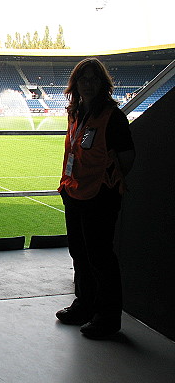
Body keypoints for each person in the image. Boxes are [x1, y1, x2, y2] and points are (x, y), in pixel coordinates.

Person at [56, 58, 135, 339]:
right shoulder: (76, 113)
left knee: (100, 256)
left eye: (93, 79)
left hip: (99, 197)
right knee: (79, 253)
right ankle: (85, 305)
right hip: (74, 192)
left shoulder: (112, 116)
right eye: (82, 79)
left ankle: (107, 317)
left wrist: (106, 183)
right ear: (75, 84)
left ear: (103, 84)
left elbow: (126, 157)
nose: (87, 84)